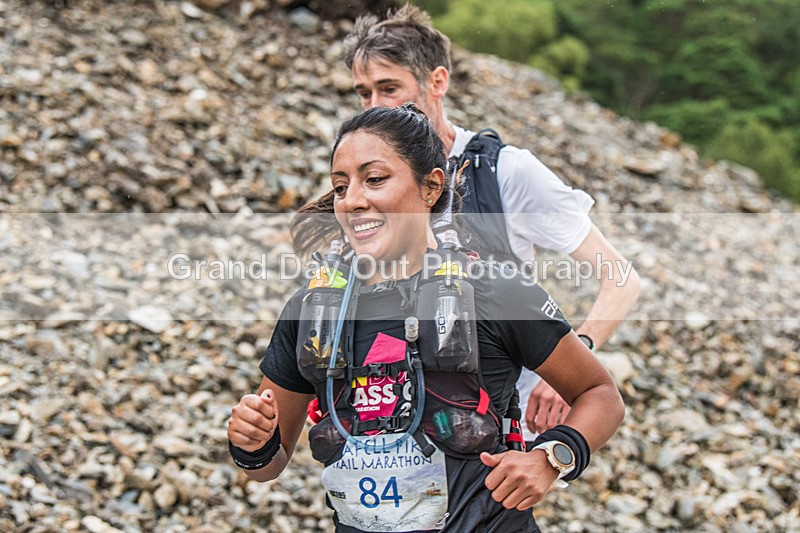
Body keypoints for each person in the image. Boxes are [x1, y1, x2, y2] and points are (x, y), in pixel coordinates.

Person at [227, 104, 625, 532]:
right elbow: (267, 466)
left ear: (432, 187)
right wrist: (251, 441)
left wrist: (552, 457)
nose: (353, 201)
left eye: (375, 179)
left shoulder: (494, 291)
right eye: (340, 187)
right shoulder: (310, 311)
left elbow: (600, 393)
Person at [341, 5, 640, 444]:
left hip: (500, 417)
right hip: (402, 416)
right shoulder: (367, 185)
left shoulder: (506, 172)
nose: (374, 106)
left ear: (437, 82)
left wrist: (573, 362)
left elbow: (621, 278)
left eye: (389, 88)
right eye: (363, 93)